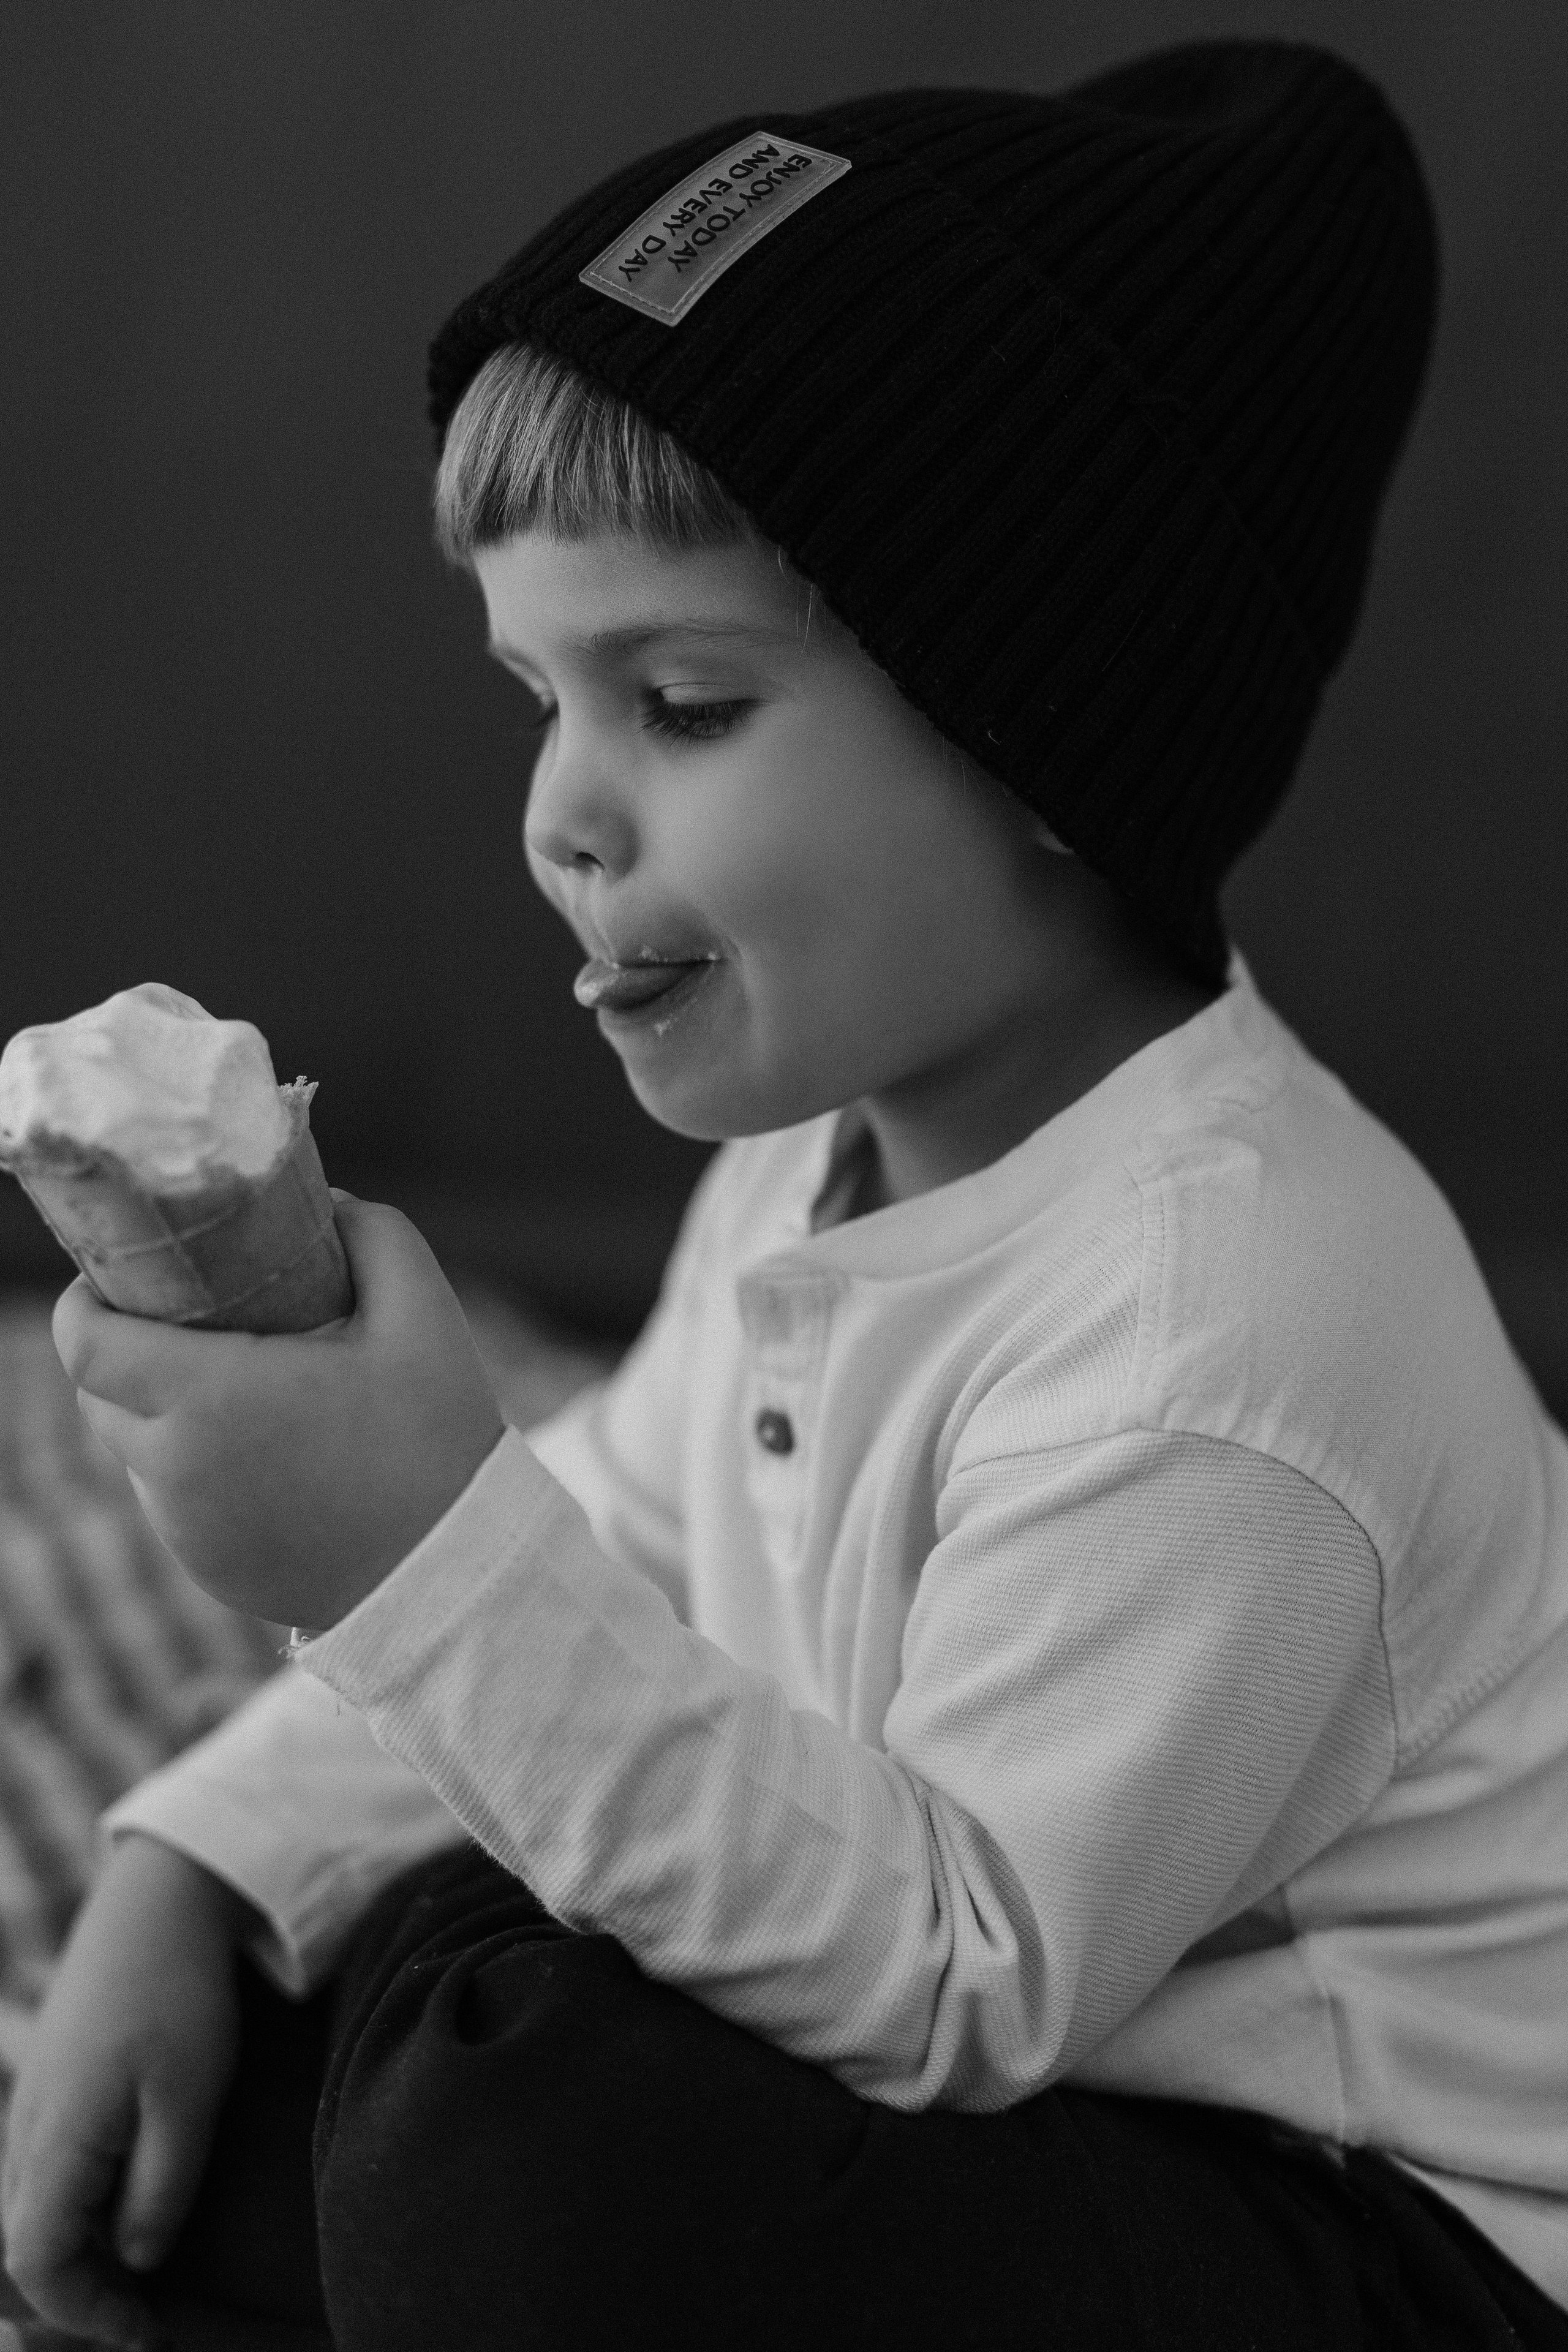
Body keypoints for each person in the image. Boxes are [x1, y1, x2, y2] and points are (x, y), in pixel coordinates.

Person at [4, 39, 1567, 2352]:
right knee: (285, 2087)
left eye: (687, 699)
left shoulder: (1226, 1337)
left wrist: (405, 1560)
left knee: (514, 2127)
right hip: (994, 2100)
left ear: (1056, 732)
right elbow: (626, 1528)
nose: (563, 809)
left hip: (1365, 2228)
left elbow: (955, 1977)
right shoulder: (817, 1146)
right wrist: (202, 1858)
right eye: (541, 689)